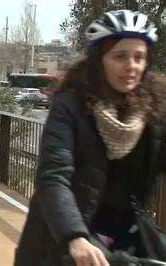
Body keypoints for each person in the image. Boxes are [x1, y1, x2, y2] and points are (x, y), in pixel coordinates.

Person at [15, 10, 165, 266]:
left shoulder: (155, 109)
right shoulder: (70, 106)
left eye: (139, 57)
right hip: (67, 236)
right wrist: (75, 237)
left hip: (126, 235)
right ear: (99, 61)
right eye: (120, 56)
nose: (131, 66)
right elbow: (54, 176)